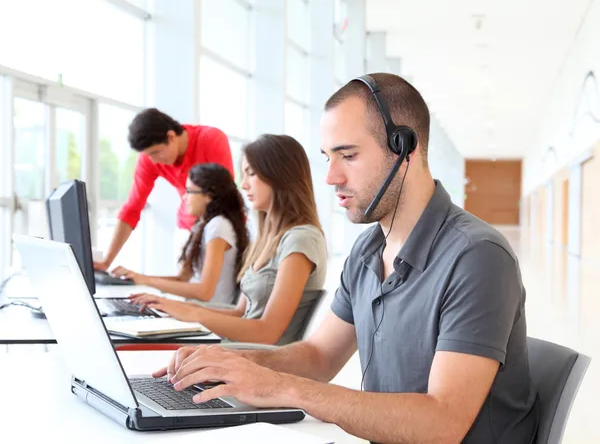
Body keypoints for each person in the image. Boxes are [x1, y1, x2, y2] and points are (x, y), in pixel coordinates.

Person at [154, 73, 540, 443]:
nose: (331, 177)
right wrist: (226, 361)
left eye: (348, 155)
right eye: (327, 158)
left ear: (405, 148)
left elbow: (442, 423)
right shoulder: (368, 250)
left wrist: (283, 387)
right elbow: (319, 356)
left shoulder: (477, 257)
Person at [132, 134, 328, 346]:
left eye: (251, 173)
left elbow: (267, 333)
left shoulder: (301, 239)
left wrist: (191, 313)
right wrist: (174, 307)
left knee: (148, 349)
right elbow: (240, 312)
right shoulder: (266, 239)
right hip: (239, 350)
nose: (243, 185)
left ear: (280, 175)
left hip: (259, 361)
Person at [94, 108, 234, 272]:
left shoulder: (211, 139)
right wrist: (106, 262)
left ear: (171, 136)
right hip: (187, 230)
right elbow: (132, 208)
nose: (153, 160)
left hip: (221, 229)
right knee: (183, 290)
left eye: (155, 152)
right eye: (148, 155)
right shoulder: (149, 159)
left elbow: (225, 197)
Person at [111, 163, 249, 305]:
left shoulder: (218, 226)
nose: (184, 197)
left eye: (189, 191)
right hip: (196, 311)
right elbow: (182, 278)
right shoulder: (204, 225)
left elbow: (205, 292)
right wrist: (137, 277)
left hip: (209, 316)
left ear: (208, 196)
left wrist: (145, 281)